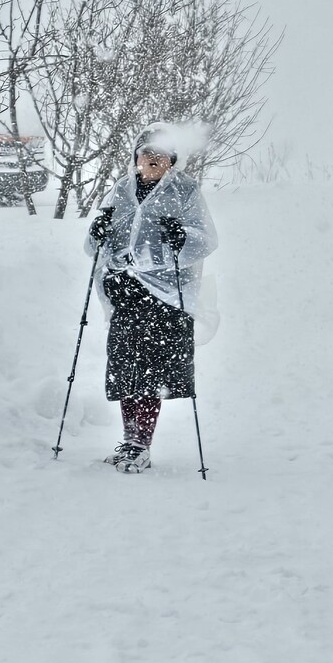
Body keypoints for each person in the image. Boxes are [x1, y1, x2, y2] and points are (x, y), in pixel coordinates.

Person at [87, 125, 217, 473]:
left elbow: (205, 240)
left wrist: (182, 237)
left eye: (161, 154)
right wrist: (97, 232)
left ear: (172, 160)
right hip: (124, 292)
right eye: (147, 153)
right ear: (136, 156)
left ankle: (140, 444)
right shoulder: (121, 189)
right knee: (126, 372)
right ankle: (130, 441)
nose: (152, 159)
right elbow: (94, 243)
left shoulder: (186, 190)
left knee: (151, 374)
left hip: (165, 297)